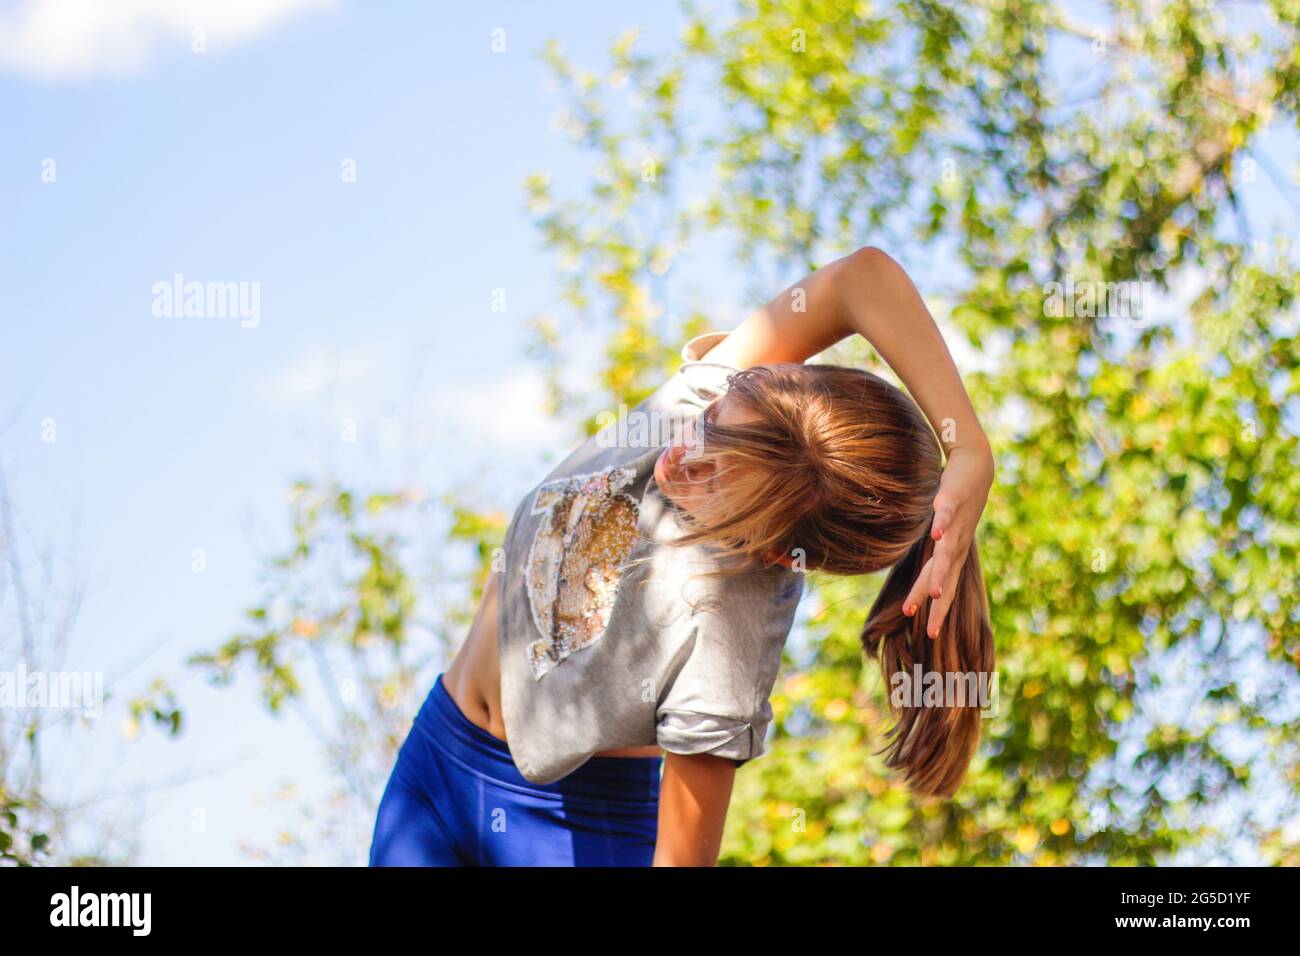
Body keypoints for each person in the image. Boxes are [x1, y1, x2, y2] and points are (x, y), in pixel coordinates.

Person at [368, 246, 995, 867]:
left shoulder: (726, 641)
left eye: (714, 478)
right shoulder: (715, 408)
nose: (686, 448)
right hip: (435, 765)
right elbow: (861, 279)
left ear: (774, 549)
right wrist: (967, 446)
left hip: (570, 837)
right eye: (717, 414)